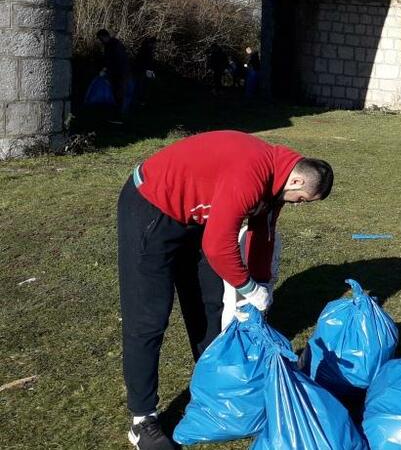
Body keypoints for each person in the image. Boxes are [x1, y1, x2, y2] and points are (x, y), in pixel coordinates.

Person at [116, 130, 334, 449]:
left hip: (196, 216)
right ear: (298, 182)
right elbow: (218, 246)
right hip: (152, 207)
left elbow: (264, 233)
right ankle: (142, 420)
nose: (299, 205)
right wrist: (248, 286)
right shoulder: (252, 173)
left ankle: (216, 384)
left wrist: (261, 288)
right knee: (148, 318)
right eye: (302, 201)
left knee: (208, 304)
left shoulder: (278, 183)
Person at [97, 28, 130, 120]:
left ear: (105, 36)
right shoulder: (115, 44)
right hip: (121, 72)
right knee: (118, 93)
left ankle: (118, 117)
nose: (101, 41)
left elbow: (114, 60)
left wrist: (106, 70)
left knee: (118, 93)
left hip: (119, 73)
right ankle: (118, 115)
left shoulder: (112, 45)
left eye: (101, 38)